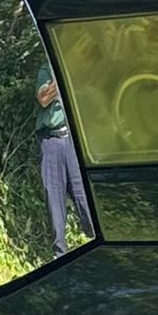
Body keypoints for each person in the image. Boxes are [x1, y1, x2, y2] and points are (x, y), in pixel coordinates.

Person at [36, 73, 90, 255]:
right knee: (55, 201)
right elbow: (43, 100)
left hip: (74, 143)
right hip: (51, 142)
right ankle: (60, 255)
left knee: (84, 198)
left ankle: (95, 244)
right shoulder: (46, 69)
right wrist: (60, 78)